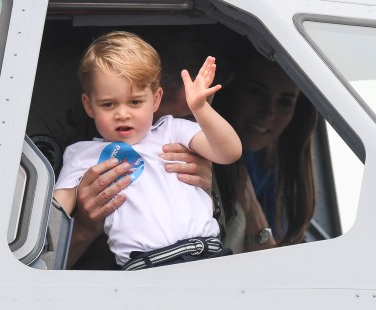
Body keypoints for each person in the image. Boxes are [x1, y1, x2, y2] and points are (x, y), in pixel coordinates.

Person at [53, 31, 241, 269]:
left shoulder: (172, 129)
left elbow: (229, 152)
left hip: (204, 253)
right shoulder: (81, 155)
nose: (123, 113)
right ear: (89, 106)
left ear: (155, 99)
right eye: (108, 104)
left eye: (135, 102)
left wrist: (200, 109)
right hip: (143, 268)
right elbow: (52, 219)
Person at [213, 53, 318, 251]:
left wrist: (251, 209)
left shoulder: (274, 166)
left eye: (285, 102)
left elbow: (274, 256)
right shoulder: (195, 149)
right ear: (230, 90)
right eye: (256, 92)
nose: (268, 111)